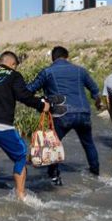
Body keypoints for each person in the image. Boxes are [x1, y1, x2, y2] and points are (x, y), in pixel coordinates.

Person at [0, 51, 49, 201]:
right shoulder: (14, 75)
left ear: (0, 61)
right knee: (20, 156)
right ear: (13, 64)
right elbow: (23, 95)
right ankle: (21, 196)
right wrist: (40, 105)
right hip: (3, 126)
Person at [27, 46, 102, 184]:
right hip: (83, 113)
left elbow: (29, 90)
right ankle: (96, 174)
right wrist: (98, 104)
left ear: (53, 58)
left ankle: (54, 177)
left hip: (62, 114)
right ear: (67, 57)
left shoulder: (47, 72)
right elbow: (95, 91)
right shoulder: (80, 71)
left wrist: (40, 101)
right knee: (88, 144)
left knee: (53, 145)